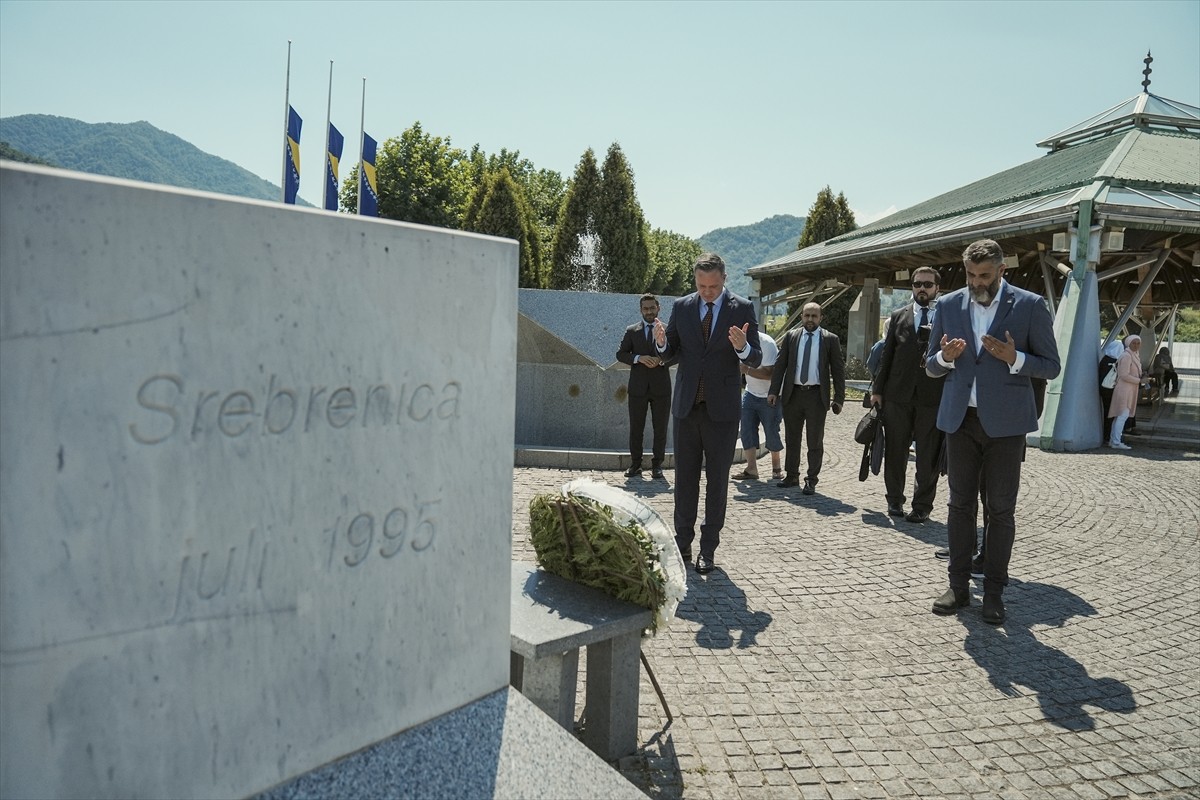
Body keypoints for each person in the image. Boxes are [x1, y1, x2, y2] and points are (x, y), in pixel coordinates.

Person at [926, 239, 1060, 625]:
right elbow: (930, 366)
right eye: (970, 275)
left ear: (1002, 271)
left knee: (1000, 510)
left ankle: (995, 593)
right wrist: (944, 358)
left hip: (1006, 426)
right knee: (958, 506)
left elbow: (1051, 366)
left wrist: (1013, 357)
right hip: (960, 421)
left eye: (984, 275)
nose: (976, 282)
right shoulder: (949, 305)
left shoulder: (1031, 306)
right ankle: (958, 587)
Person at [653, 253, 762, 574]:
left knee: (717, 482)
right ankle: (682, 543)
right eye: (702, 286)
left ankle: (708, 548)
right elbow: (671, 353)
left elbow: (755, 358)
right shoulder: (682, 307)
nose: (708, 292)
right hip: (686, 409)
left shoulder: (741, 308)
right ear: (696, 282)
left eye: (713, 286)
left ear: (724, 280)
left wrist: (743, 347)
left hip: (723, 412)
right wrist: (661, 344)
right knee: (685, 480)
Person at [870, 267, 946, 523]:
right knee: (895, 451)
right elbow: (886, 357)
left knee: (928, 455)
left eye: (927, 284)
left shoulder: (946, 316)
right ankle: (894, 501)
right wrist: (877, 391)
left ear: (937, 287)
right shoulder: (897, 316)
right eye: (917, 284)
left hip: (932, 397)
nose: (921, 289)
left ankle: (922, 505)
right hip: (896, 396)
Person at [769, 302, 846, 496]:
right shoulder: (791, 337)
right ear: (801, 317)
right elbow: (780, 366)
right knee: (792, 438)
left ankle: (811, 479)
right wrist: (773, 391)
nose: (810, 319)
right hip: (792, 394)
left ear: (821, 318)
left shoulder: (830, 339)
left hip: (816, 396)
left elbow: (838, 370)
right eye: (806, 316)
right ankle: (792, 475)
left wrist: (839, 398)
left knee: (814, 440)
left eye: (814, 316)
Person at [616, 293, 673, 479]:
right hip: (638, 388)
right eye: (645, 309)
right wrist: (638, 358)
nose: (649, 311)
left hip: (661, 388)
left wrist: (661, 360)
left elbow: (676, 354)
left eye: (652, 308)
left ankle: (658, 465)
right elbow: (621, 354)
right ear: (641, 310)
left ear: (658, 308)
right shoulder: (632, 331)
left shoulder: (668, 329)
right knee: (636, 428)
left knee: (660, 428)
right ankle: (636, 464)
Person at [733, 330, 783, 481]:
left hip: (770, 395)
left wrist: (746, 369)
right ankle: (751, 469)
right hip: (750, 392)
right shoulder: (736, 342)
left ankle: (776, 467)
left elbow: (769, 373)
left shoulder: (767, 343)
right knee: (747, 429)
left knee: (771, 430)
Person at [1107, 334, 1144, 450]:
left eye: (1138, 343)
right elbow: (1123, 375)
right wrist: (1139, 380)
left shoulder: (1134, 355)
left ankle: (1113, 440)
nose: (1136, 345)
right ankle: (1116, 442)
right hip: (1124, 389)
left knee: (1120, 415)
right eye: (1134, 343)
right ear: (1128, 343)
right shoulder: (1127, 356)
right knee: (1122, 415)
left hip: (1129, 389)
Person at [1098, 339, 1124, 442]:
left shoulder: (1104, 359)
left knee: (1106, 412)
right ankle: (1109, 435)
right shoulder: (1116, 362)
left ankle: (1106, 435)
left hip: (1103, 389)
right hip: (1111, 390)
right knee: (1112, 413)